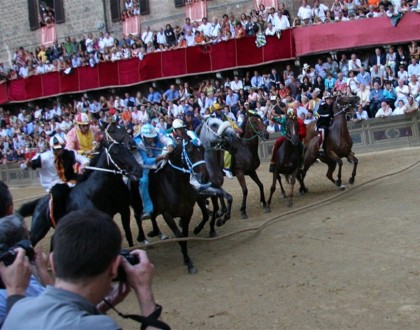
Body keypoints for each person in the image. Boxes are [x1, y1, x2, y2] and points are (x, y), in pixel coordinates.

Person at [2, 209, 169, 330]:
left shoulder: (18, 308)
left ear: (52, 261)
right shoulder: (100, 326)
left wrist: (99, 307)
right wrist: (143, 289)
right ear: (114, 268)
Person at [21, 135, 90, 224]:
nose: (59, 151)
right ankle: (59, 219)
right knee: (57, 194)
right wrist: (27, 164)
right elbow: (25, 166)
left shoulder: (70, 153)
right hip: (54, 183)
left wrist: (85, 164)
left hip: (71, 179)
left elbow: (83, 159)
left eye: (61, 148)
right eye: (57, 149)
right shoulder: (43, 157)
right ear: (52, 149)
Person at [0, 214, 53, 325]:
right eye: (28, 238)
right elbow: (60, 305)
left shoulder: (8, 267)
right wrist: (42, 270)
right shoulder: (23, 282)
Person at [269, 108, 306, 172]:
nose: (291, 115)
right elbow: (281, 121)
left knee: (301, 146)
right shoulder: (285, 119)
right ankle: (273, 162)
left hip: (296, 137)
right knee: (276, 143)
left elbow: (303, 132)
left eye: (292, 113)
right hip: (285, 136)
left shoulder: (298, 121)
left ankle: (300, 162)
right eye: (289, 114)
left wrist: (296, 134)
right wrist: (272, 117)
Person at [316, 92, 335, 156]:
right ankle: (320, 148)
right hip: (322, 124)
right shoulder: (322, 105)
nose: (329, 100)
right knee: (323, 130)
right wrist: (328, 115)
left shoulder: (332, 106)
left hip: (330, 123)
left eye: (331, 99)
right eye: (328, 99)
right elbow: (317, 114)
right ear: (325, 100)